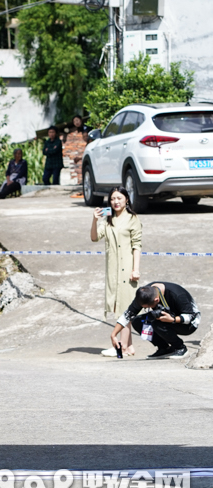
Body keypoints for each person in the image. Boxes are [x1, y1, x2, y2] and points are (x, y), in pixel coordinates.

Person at [90, 186, 141, 356]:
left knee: (125, 309)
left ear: (127, 199)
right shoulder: (108, 219)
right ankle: (130, 346)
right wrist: (95, 220)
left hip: (127, 269)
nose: (116, 202)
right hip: (112, 270)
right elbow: (94, 238)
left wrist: (136, 269)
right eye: (112, 199)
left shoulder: (133, 219)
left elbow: (137, 246)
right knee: (119, 306)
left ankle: (123, 347)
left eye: (119, 198)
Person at [110, 283, 201, 359]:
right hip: (167, 318)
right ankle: (164, 348)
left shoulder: (177, 294)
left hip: (188, 324)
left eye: (149, 307)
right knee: (137, 321)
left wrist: (172, 319)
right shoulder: (145, 294)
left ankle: (180, 348)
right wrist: (114, 334)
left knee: (157, 323)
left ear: (156, 300)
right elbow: (127, 315)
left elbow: (192, 317)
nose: (149, 309)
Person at [68, 115, 90, 198]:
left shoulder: (87, 127)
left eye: (77, 120)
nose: (76, 123)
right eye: (74, 122)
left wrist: (79, 158)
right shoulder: (81, 132)